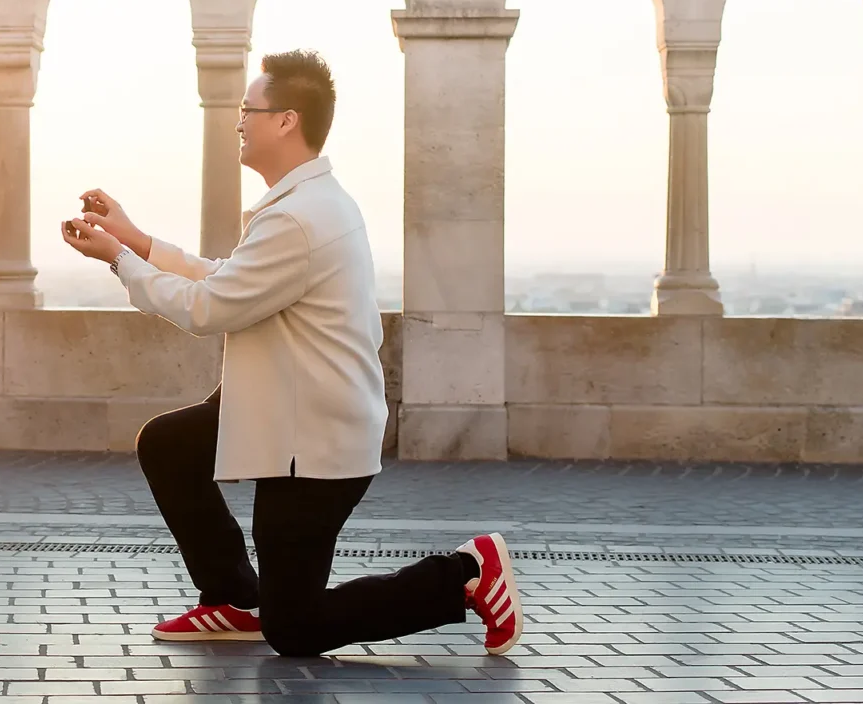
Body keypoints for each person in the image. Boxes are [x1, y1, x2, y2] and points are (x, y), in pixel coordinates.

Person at [60, 49, 523, 658]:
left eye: (249, 109)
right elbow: (228, 279)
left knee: (295, 627)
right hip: (282, 409)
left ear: (286, 120)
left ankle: (466, 574)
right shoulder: (306, 204)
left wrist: (118, 261)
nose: (240, 121)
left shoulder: (301, 217)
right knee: (172, 445)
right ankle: (233, 598)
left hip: (311, 443)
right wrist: (137, 240)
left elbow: (210, 309)